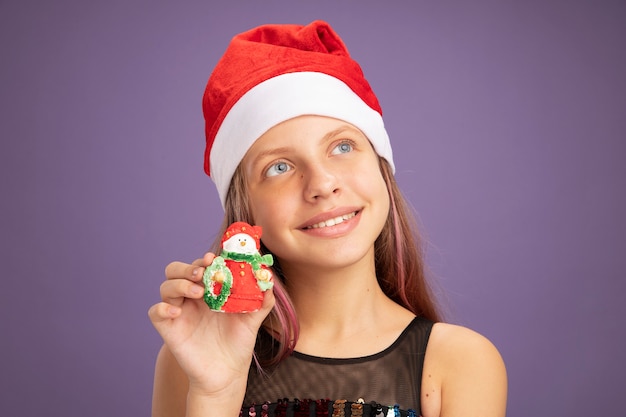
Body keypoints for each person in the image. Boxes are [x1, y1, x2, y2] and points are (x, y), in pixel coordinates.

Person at [148, 20, 507, 417]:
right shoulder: (192, 358)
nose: (322, 183)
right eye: (279, 167)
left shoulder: (460, 363)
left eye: (342, 146)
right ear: (244, 213)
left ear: (381, 168)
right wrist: (214, 395)